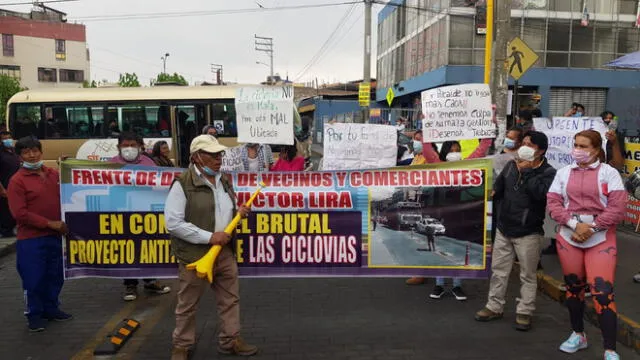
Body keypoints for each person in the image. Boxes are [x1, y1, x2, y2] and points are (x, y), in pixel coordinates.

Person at [166, 135, 258, 359]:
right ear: (197, 157)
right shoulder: (183, 184)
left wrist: (239, 213)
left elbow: (226, 211)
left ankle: (231, 340)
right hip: (195, 255)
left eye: (220, 154)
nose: (218, 159)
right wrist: (209, 237)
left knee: (230, 299)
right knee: (188, 304)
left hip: (224, 253)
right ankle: (182, 346)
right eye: (212, 155)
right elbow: (173, 223)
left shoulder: (224, 180)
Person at [546, 130, 626, 360]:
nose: (577, 150)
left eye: (583, 146)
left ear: (596, 149)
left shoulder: (609, 173)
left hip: (600, 237)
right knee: (574, 289)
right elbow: (553, 202)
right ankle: (578, 334)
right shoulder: (563, 173)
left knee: (602, 293)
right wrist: (573, 224)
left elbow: (617, 207)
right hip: (569, 235)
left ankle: (610, 349)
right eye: (575, 145)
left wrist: (592, 228)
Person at [475, 131, 556, 331]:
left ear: (541, 151)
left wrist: (527, 171)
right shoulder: (511, 166)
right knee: (499, 271)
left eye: (531, 145)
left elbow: (540, 195)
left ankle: (525, 311)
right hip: (504, 228)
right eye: (524, 143)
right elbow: (497, 189)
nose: (524, 147)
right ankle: (494, 306)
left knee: (528, 275)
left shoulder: (548, 172)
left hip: (529, 232)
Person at [406, 137, 493, 300]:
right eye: (451, 150)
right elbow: (427, 151)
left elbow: (481, 149)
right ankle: (439, 284)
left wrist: (489, 130)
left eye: (457, 150)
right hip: (440, 216)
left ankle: (457, 285)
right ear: (444, 153)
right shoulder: (437, 165)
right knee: (438, 249)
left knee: (457, 251)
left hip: (460, 216)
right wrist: (427, 130)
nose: (455, 153)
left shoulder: (468, 165)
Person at [8, 136, 72, 332]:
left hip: (55, 236)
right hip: (31, 239)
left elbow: (68, 189)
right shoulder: (17, 181)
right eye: (26, 152)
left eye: (35, 150)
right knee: (33, 278)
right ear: (20, 156)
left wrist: (67, 168)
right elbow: (19, 213)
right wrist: (49, 223)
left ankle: (51, 308)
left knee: (55, 275)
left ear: (41, 152)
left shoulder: (52, 174)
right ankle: (34, 314)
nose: (32, 155)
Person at [109, 132, 171, 300]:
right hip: (121, 214)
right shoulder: (111, 164)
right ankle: (130, 285)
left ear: (140, 147)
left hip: (145, 213)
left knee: (146, 246)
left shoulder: (148, 162)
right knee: (126, 248)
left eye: (133, 145)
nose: (129, 148)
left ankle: (150, 281)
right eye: (125, 145)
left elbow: (159, 184)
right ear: (118, 147)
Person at [0, 131, 20, 237]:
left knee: (12, 208)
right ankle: (5, 230)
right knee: (5, 209)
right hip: (4, 185)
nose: (8, 140)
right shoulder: (1, 153)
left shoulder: (13, 151)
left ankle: (11, 228)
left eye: (9, 137)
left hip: (14, 185)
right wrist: (2, 189)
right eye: (4, 138)